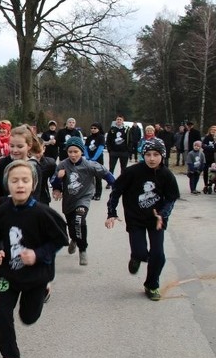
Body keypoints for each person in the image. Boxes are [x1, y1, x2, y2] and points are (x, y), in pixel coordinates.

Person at [0, 160, 68, 358]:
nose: (20, 185)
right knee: (3, 315)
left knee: (28, 317)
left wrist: (38, 254)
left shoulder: (43, 213)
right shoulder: (3, 210)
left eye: (25, 180)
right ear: (8, 184)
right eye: (15, 180)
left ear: (33, 184)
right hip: (7, 276)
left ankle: (45, 289)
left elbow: (60, 240)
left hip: (35, 277)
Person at [105, 138, 180, 301]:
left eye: (155, 154)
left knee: (158, 255)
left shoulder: (167, 175)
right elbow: (116, 191)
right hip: (135, 219)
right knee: (140, 252)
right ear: (142, 155)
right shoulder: (132, 172)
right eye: (148, 154)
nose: (151, 158)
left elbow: (171, 199)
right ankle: (136, 257)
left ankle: (152, 285)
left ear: (163, 156)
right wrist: (111, 212)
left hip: (156, 220)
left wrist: (163, 213)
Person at [51, 136, 115, 266]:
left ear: (81, 151)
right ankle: (74, 239)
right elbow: (54, 182)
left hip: (84, 198)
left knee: (79, 220)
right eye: (70, 152)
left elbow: (106, 173)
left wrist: (116, 186)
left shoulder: (89, 165)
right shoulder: (63, 165)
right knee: (72, 225)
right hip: (69, 200)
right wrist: (58, 182)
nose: (73, 155)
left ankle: (83, 250)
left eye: (76, 152)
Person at [106, 115, 131, 184]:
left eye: (120, 119)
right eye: (118, 119)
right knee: (111, 168)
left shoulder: (127, 129)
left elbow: (130, 140)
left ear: (123, 121)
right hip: (114, 152)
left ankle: (122, 182)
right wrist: (109, 150)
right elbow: (108, 140)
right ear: (116, 120)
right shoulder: (112, 129)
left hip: (124, 152)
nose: (119, 121)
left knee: (123, 168)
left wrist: (129, 150)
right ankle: (110, 182)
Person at [84, 122, 106, 200]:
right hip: (89, 160)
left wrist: (94, 158)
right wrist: (87, 157)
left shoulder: (101, 137)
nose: (93, 130)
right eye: (92, 128)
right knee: (90, 178)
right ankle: (90, 193)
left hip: (98, 160)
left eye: (95, 128)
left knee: (98, 178)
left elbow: (100, 148)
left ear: (98, 129)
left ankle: (98, 194)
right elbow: (86, 147)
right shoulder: (89, 138)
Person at [35, 138, 56, 205]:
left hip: (43, 198)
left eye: (38, 150)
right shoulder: (24, 162)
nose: (35, 153)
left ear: (43, 149)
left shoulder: (49, 163)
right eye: (33, 150)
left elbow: (54, 178)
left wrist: (56, 188)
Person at [201, 125, 216, 194]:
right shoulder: (207, 138)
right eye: (212, 129)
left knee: (214, 172)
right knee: (206, 171)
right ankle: (206, 184)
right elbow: (203, 145)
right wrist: (211, 148)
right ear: (210, 130)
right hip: (207, 157)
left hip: (214, 158)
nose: (213, 131)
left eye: (215, 129)